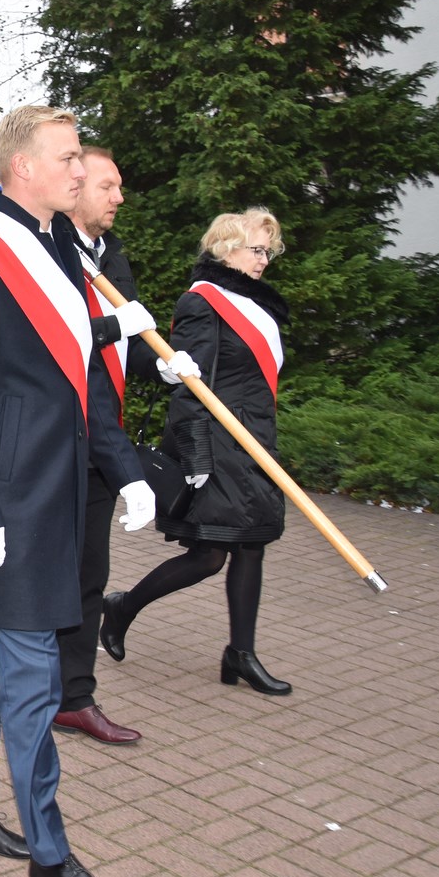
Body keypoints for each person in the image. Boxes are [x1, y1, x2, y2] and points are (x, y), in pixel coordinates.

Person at [0, 106, 153, 877]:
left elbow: (68, 368)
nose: (82, 172)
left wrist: (123, 467)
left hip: (57, 494)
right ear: (23, 166)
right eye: (68, 158)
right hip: (4, 505)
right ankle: (51, 861)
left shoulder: (57, 245)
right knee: (35, 687)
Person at [0, 146, 200, 746]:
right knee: (22, 589)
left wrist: (160, 366)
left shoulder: (108, 256)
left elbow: (107, 355)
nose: (113, 195)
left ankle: (75, 696)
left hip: (98, 436)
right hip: (34, 448)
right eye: (103, 182)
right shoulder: (23, 252)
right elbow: (24, 351)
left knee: (86, 575)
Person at [101, 208, 293, 696]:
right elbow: (189, 387)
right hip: (217, 445)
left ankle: (240, 654)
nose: (264, 260)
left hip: (255, 442)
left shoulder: (258, 306)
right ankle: (123, 606)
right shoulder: (203, 303)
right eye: (256, 249)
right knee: (210, 555)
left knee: (253, 544)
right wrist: (198, 461)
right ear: (226, 247)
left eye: (268, 251)